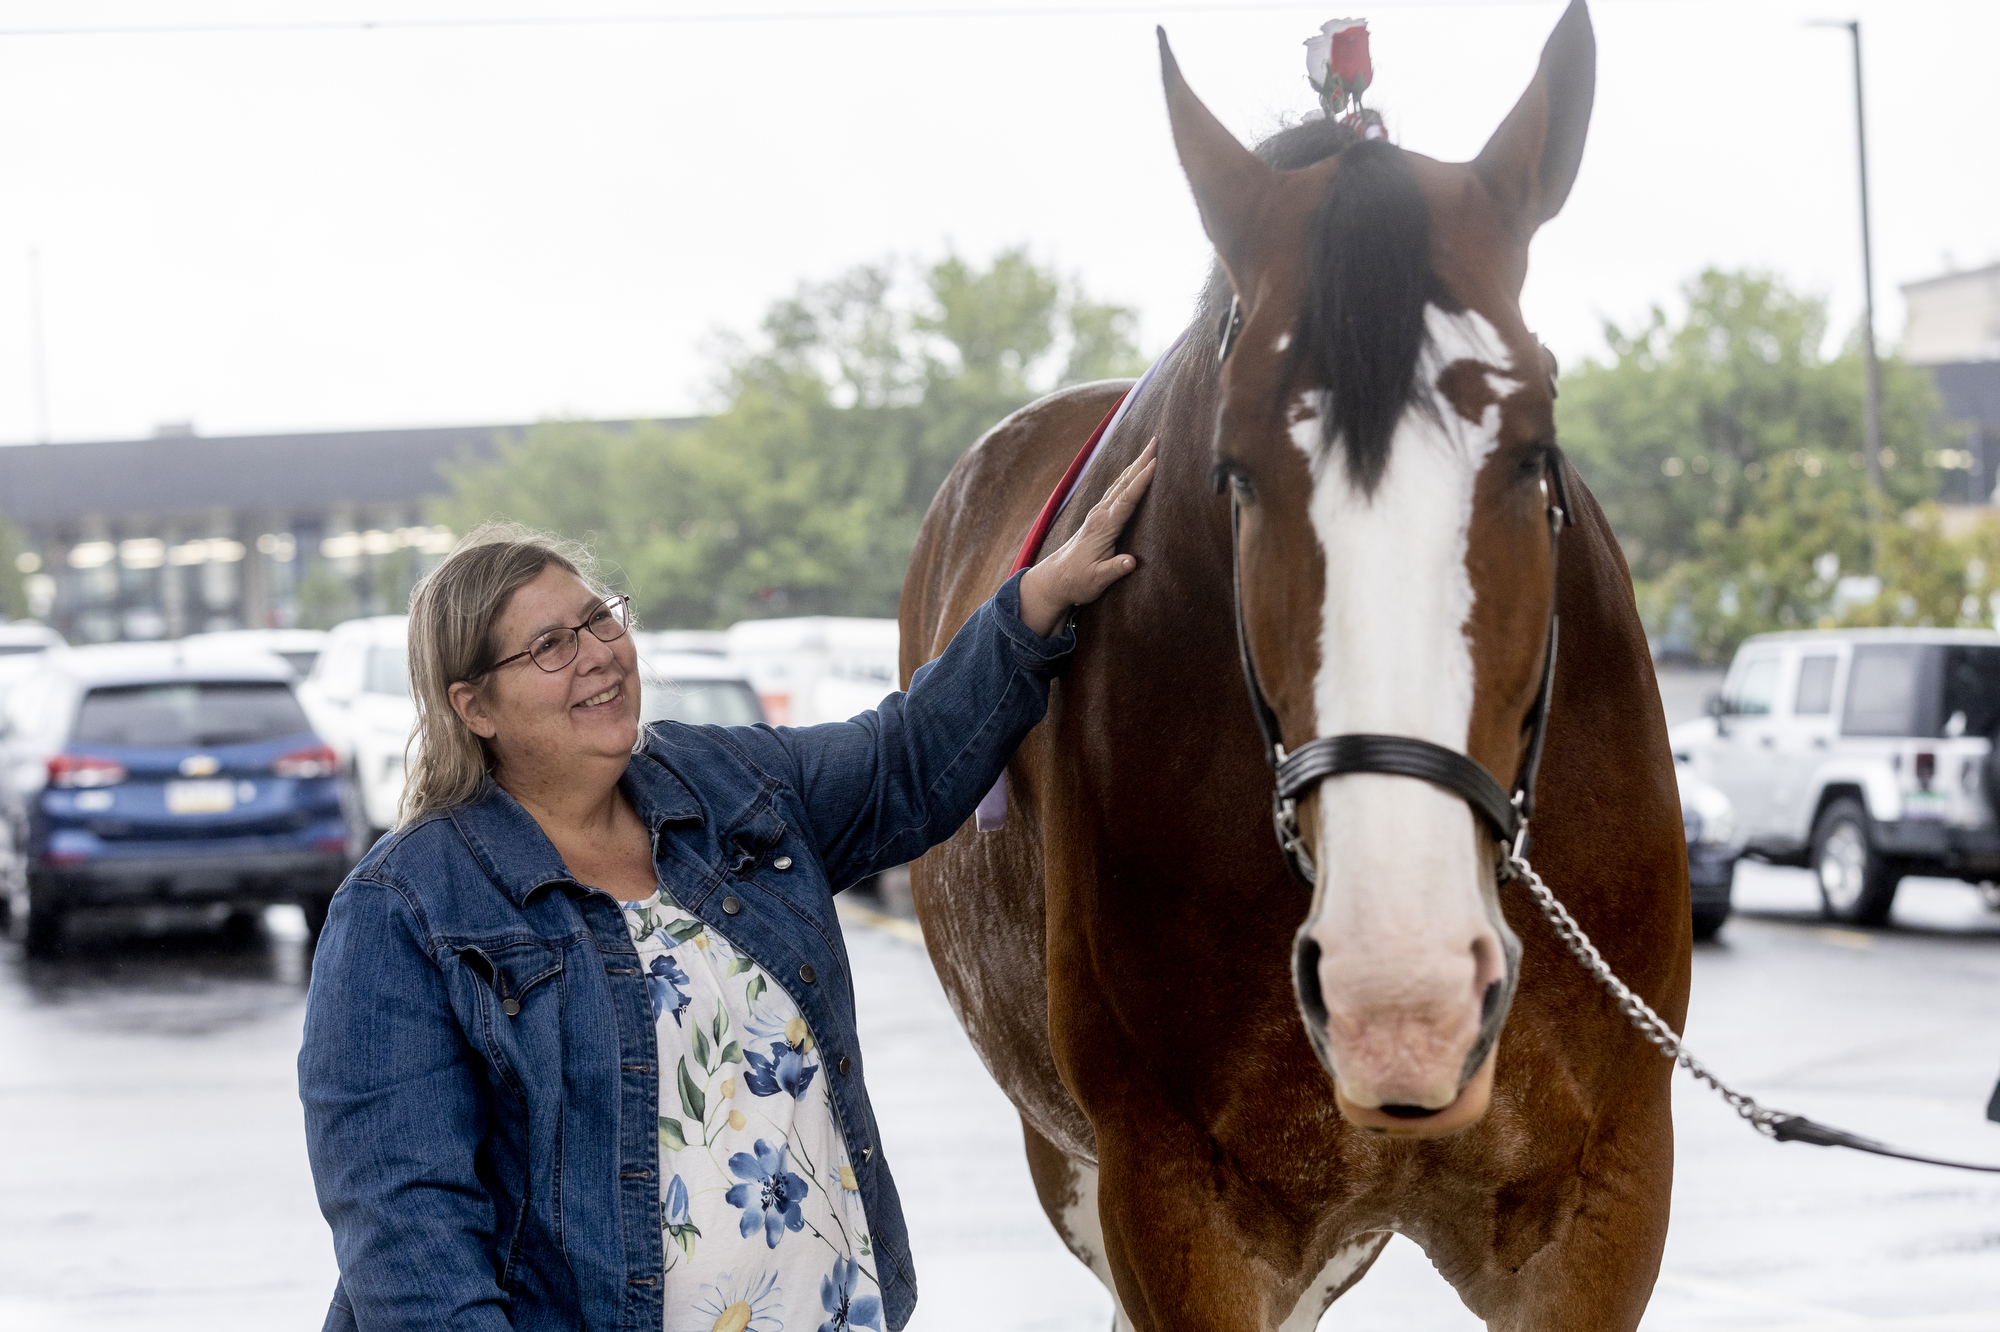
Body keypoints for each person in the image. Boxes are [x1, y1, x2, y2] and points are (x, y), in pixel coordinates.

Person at [297, 441, 1159, 1332]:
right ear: (473, 706)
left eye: (599, 620)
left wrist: (1034, 604)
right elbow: (407, 1238)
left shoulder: (723, 784)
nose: (596, 654)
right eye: (549, 646)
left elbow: (903, 759)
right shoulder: (406, 910)